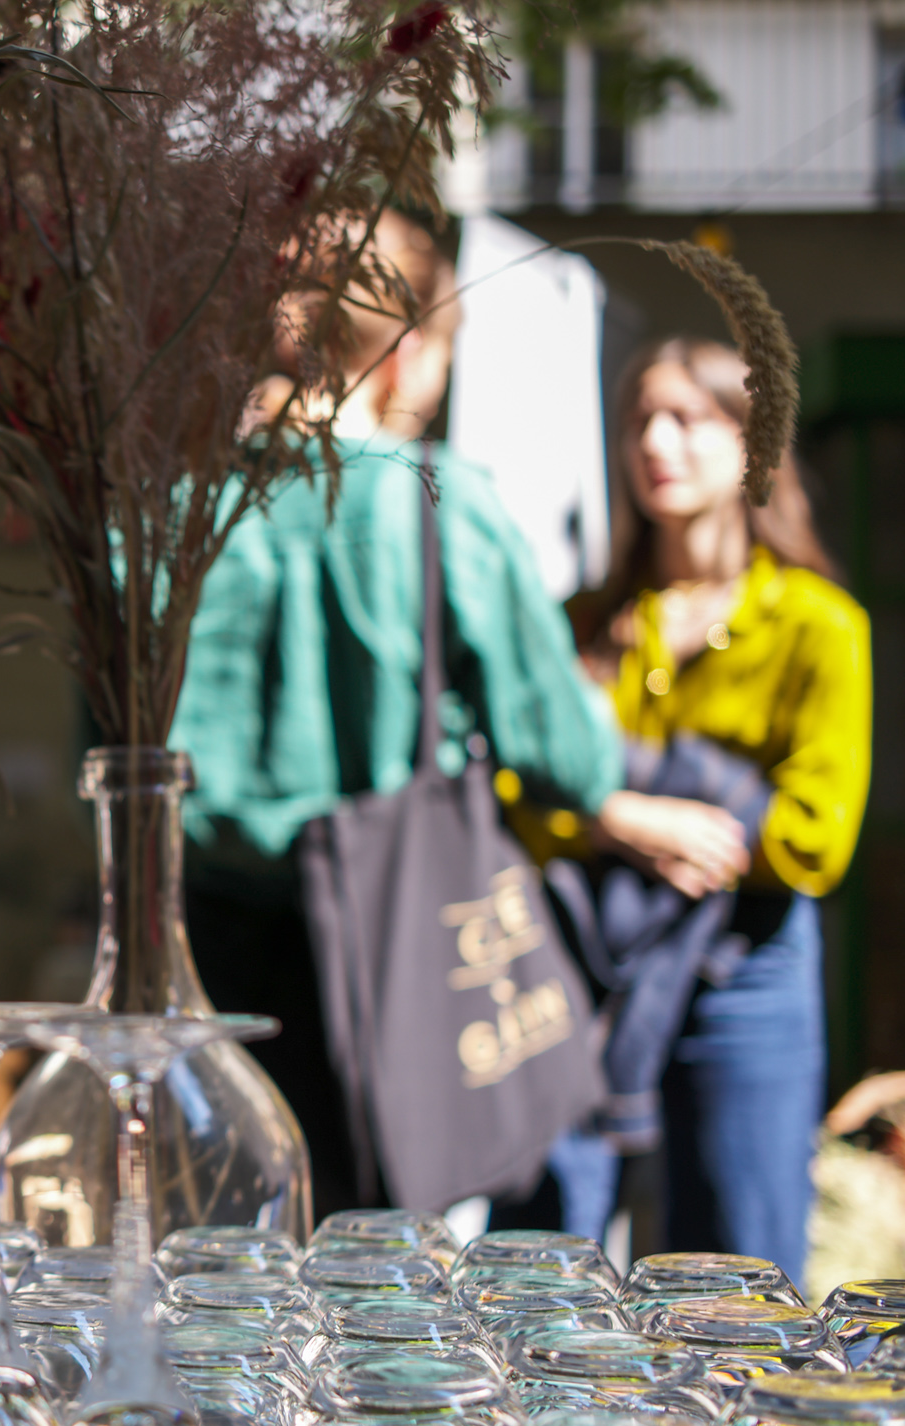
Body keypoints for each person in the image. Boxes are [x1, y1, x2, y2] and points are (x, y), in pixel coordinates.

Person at [169, 214, 628, 1216]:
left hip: (203, 957)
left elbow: (113, 767)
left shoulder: (172, 516)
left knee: (229, 1282)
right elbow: (570, 759)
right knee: (380, 1292)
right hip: (393, 947)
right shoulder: (438, 502)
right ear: (411, 350)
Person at [562, 338, 869, 1282]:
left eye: (687, 418)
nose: (655, 441)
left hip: (748, 961)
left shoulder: (817, 624)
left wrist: (632, 808)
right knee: (554, 1257)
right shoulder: (584, 623)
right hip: (591, 963)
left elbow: (813, 838)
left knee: (739, 1266)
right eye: (639, 420)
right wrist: (633, 821)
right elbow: (519, 796)